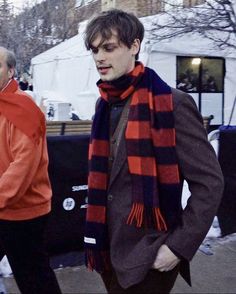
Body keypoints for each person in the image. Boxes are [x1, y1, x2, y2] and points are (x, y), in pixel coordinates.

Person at [83, 9, 224, 294]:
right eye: (95, 49)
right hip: (107, 250)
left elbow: (210, 183)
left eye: (109, 48)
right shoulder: (104, 104)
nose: (99, 57)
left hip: (151, 253)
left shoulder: (172, 103)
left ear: (134, 46)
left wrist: (177, 247)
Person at [0, 46, 62, 294]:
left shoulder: (24, 108)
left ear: (11, 71)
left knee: (34, 278)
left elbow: (21, 169)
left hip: (24, 213)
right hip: (5, 206)